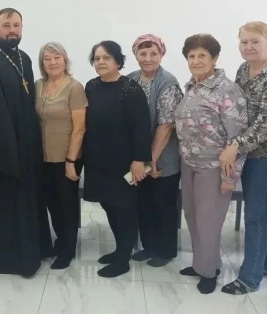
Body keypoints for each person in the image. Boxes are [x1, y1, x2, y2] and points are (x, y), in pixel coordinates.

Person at [0, 8, 54, 277]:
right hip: (5, 154)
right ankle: (13, 261)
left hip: (28, 147)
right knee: (10, 206)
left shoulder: (24, 58)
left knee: (30, 202)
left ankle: (36, 250)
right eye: (6, 25)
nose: (12, 30)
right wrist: (10, 156)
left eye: (16, 25)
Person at [220, 22, 267, 295]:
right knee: (262, 211)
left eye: (255, 42)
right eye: (244, 42)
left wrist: (236, 146)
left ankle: (249, 278)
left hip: (266, 156)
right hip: (245, 154)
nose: (249, 47)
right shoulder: (244, 69)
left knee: (255, 216)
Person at [175, 34, 248, 295]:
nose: (196, 61)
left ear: (214, 58)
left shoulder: (227, 89)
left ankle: (208, 272)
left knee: (208, 222)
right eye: (191, 56)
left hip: (214, 166)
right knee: (193, 216)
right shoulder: (191, 86)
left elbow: (238, 136)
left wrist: (230, 177)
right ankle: (203, 263)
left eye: (202, 56)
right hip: (189, 162)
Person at [83, 40, 152, 278]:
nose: (101, 62)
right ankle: (119, 249)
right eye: (97, 58)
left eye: (106, 58)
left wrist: (139, 160)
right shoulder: (91, 86)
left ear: (118, 61)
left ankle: (123, 259)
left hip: (124, 162)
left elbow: (141, 128)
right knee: (108, 205)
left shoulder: (130, 89)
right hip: (98, 160)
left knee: (123, 209)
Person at [127, 34, 183, 268]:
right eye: (143, 53)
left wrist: (150, 162)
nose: (148, 58)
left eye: (153, 53)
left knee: (164, 205)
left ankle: (166, 250)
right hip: (138, 158)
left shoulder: (168, 82)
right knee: (143, 203)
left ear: (161, 55)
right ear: (136, 55)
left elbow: (166, 125)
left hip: (163, 158)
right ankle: (149, 246)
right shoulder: (130, 79)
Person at [35, 42, 87, 270]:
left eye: (57, 57)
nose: (52, 62)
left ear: (65, 60)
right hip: (42, 158)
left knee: (67, 205)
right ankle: (61, 242)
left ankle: (68, 250)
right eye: (47, 59)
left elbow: (80, 128)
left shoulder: (74, 88)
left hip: (67, 157)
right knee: (51, 203)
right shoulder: (38, 85)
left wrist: (71, 161)